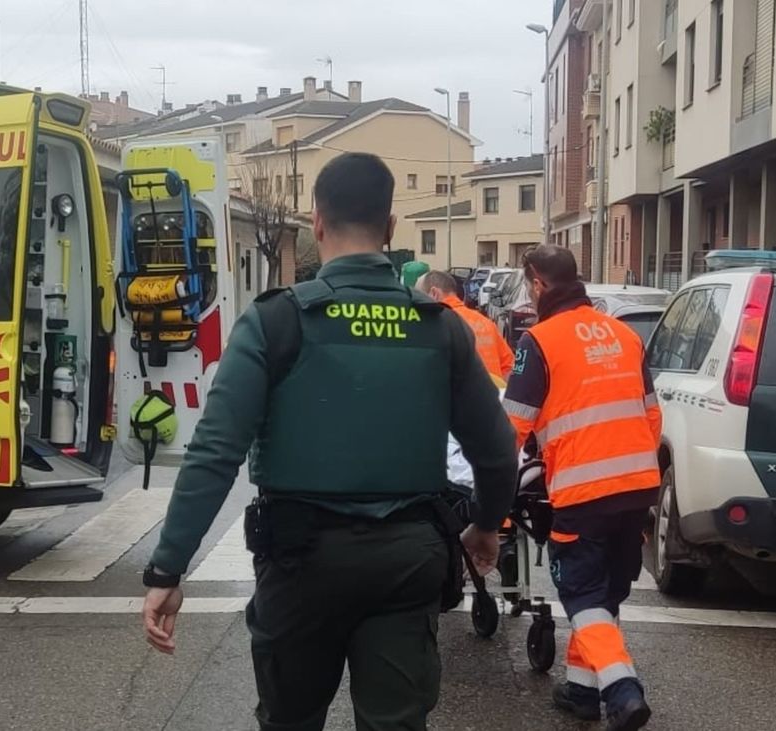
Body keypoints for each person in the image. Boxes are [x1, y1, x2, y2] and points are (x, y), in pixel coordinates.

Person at [140, 152, 518, 731]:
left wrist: (168, 570)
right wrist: (486, 524)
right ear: (391, 228)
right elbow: (495, 450)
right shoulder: (438, 328)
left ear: (316, 222)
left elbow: (215, 453)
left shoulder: (276, 322)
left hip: (300, 563)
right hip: (406, 560)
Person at [500, 245, 662, 731]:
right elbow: (651, 414)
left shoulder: (540, 341)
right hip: (637, 488)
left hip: (583, 489)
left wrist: (498, 487)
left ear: (537, 283)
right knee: (605, 594)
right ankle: (581, 690)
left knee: (584, 595)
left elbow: (512, 426)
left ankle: (622, 690)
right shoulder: (625, 335)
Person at [417, 270, 515, 388]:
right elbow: (509, 369)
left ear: (434, 293)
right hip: (491, 400)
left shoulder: (435, 325)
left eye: (419, 297)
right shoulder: (486, 323)